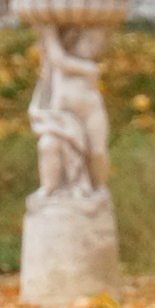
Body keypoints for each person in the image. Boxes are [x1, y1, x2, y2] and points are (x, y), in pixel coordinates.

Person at [31, 20, 112, 196]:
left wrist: (48, 32)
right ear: (76, 41)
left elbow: (62, 61)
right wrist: (48, 31)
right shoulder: (57, 67)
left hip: (91, 115)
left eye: (97, 45)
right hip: (65, 118)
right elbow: (56, 61)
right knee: (50, 145)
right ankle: (54, 186)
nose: (93, 48)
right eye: (89, 42)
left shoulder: (90, 67)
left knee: (97, 152)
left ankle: (98, 186)